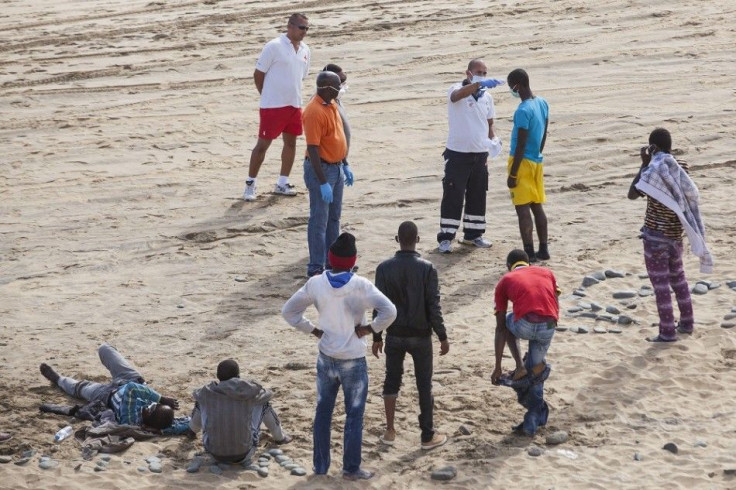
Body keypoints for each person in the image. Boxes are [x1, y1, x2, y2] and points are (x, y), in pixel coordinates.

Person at [282, 232, 397, 481]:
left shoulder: (316, 283)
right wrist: (371, 329)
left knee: (323, 411)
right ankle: (351, 468)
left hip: (326, 356)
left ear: (330, 259)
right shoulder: (361, 285)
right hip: (353, 359)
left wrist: (311, 329)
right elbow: (390, 311)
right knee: (354, 414)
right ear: (353, 260)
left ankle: (320, 466)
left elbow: (289, 312)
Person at [628, 128, 712, 342]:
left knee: (661, 286)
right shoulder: (680, 168)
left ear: (652, 148)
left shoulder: (652, 171)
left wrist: (643, 163)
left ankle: (667, 331)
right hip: (676, 236)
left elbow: (632, 194)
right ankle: (687, 322)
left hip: (655, 237)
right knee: (679, 280)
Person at [372, 221, 449, 450]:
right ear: (418, 239)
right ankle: (427, 435)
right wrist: (442, 335)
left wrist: (377, 336)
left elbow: (379, 305)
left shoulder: (384, 268)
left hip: (394, 333)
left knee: (391, 380)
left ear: (397, 239)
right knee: (424, 385)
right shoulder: (427, 268)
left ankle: (389, 430)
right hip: (421, 335)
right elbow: (433, 306)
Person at [437, 58, 504, 254]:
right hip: (458, 153)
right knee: (453, 195)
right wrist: (477, 84)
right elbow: (456, 97)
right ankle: (446, 237)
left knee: (477, 193)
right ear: (468, 73)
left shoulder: (487, 97)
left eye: (485, 73)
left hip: (480, 153)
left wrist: (493, 140)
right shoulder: (456, 88)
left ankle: (473, 235)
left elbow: (489, 122)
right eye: (479, 72)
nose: (483, 76)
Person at [491, 249, 559, 436]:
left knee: (506, 323)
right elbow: (555, 297)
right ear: (528, 262)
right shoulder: (546, 272)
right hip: (549, 325)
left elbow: (500, 328)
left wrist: (497, 366)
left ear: (508, 267)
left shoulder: (506, 280)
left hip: (525, 325)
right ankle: (534, 417)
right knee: (536, 371)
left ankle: (520, 366)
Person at [243, 13, 311, 201]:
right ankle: (250, 183)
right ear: (290, 26)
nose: (304, 32)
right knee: (262, 145)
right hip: (272, 106)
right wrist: (266, 95)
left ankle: (282, 182)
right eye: (301, 27)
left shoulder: (305, 49)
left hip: (294, 104)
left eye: (307, 28)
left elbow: (301, 76)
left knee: (291, 143)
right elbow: (258, 74)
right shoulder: (273, 46)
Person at [39, 343, 179, 431]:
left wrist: (162, 398)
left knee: (79, 388)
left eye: (152, 407)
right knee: (105, 349)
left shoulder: (130, 419)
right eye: (156, 404)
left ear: (148, 416)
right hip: (131, 378)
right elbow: (184, 424)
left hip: (106, 395)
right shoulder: (153, 416)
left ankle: (58, 379)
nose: (152, 404)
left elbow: (132, 389)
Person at [189, 359, 291, 464]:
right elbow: (268, 395)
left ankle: (192, 430)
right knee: (264, 404)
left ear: (218, 377)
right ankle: (280, 438)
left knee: (200, 402)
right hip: (245, 453)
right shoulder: (248, 391)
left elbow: (195, 394)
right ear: (238, 376)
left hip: (214, 454)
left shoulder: (207, 392)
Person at [302, 71, 350, 277]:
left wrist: (345, 164)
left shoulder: (331, 105)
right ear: (327, 88)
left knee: (334, 218)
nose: (340, 90)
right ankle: (316, 266)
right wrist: (322, 182)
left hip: (336, 168)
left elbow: (338, 137)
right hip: (321, 170)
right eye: (337, 86)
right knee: (319, 219)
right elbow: (313, 149)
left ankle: (333, 262)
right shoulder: (314, 112)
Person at [506, 68, 550, 262]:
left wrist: (513, 173)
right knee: (537, 206)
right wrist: (538, 153)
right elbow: (544, 132)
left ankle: (529, 252)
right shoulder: (542, 103)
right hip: (536, 161)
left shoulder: (522, 110)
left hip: (521, 162)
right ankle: (544, 249)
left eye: (511, 87)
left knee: (522, 208)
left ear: (517, 85)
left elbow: (521, 144)